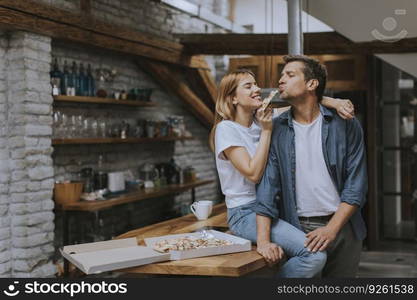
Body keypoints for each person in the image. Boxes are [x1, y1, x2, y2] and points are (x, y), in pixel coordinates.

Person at [209, 69, 355, 277]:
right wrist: (267, 131)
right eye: (248, 86)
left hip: (271, 208)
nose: (258, 89)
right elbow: (253, 174)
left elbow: (303, 101)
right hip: (245, 212)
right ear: (232, 98)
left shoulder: (262, 119)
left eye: (256, 84)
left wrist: (335, 102)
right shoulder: (227, 129)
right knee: (313, 256)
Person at [254, 55, 368, 278]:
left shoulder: (345, 123)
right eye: (281, 75)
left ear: (312, 84)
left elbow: (357, 185)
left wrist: (331, 229)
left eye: (290, 74)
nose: (281, 80)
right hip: (298, 229)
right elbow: (268, 186)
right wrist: (263, 241)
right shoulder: (276, 127)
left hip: (344, 227)